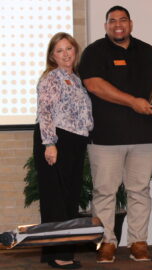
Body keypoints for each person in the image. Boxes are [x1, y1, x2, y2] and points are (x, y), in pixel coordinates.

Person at [78, 6, 152, 263]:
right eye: (112, 20)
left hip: (144, 137)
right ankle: (107, 242)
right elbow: (94, 85)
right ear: (106, 26)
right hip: (106, 138)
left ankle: (138, 242)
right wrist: (133, 102)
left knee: (140, 191)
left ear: (130, 24)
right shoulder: (94, 52)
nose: (118, 24)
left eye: (123, 20)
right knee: (105, 192)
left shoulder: (147, 51)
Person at [33, 32, 93, 269]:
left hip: (75, 143)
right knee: (54, 199)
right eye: (60, 50)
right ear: (52, 56)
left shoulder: (76, 79)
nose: (66, 54)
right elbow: (45, 112)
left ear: (75, 51)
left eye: (69, 48)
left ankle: (63, 253)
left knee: (69, 199)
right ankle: (56, 255)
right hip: (56, 140)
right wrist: (49, 143)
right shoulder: (50, 78)